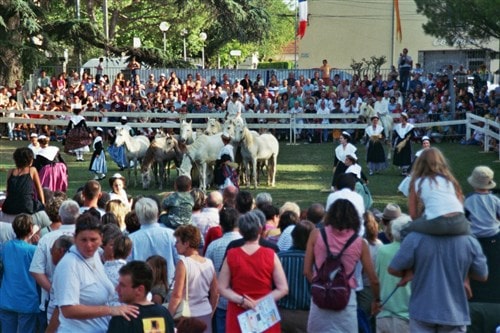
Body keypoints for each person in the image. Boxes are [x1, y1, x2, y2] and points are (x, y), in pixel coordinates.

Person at [388, 215, 488, 332]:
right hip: (454, 313)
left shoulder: (415, 238)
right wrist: (463, 274)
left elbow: (393, 269)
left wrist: (413, 271)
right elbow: (482, 275)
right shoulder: (469, 240)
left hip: (423, 310)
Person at [52, 213, 139, 332]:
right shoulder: (69, 265)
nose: (88, 245)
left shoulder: (95, 256)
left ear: (101, 238)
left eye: (93, 239)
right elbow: (68, 310)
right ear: (75, 238)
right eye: (83, 240)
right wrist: (111, 310)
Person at [304, 199, 380, 332]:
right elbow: (373, 279)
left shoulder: (316, 234)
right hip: (345, 300)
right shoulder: (359, 243)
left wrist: (322, 284)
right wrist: (376, 300)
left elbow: (306, 271)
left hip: (319, 300)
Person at [218, 210, 289, 333]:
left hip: (238, 309)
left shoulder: (232, 255)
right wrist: (259, 302)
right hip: (264, 311)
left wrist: (242, 301)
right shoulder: (270, 255)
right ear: (260, 229)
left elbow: (222, 287)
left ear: (240, 231)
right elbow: (283, 289)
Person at [29, 199, 80, 326]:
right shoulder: (87, 239)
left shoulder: (47, 238)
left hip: (54, 298)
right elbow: (36, 270)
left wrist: (53, 289)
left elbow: (36, 270)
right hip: (75, 298)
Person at [403, 147, 470, 238]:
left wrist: (423, 221)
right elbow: (460, 202)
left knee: (405, 230)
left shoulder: (417, 182)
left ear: (420, 163)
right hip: (460, 222)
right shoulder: (450, 180)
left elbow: (413, 214)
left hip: (436, 222)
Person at [168, 225, 218, 332]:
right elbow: (215, 292)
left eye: (178, 241)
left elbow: (177, 295)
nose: (175, 245)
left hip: (188, 316)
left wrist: (167, 316)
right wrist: (211, 311)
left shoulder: (183, 263)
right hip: (206, 312)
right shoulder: (209, 263)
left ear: (186, 244)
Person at [108, 261, 175, 333]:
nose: (117, 289)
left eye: (122, 285)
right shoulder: (164, 313)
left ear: (140, 290)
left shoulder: (122, 318)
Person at [0, 214, 40, 333]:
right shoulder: (33, 250)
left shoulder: (6, 247)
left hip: (7, 298)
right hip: (27, 300)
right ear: (30, 229)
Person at [205, 207, 241, 333]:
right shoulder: (245, 245)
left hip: (221, 301)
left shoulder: (214, 246)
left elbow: (206, 273)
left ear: (221, 226)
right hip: (241, 300)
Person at [129, 198, 178, 286]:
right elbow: (180, 260)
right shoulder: (171, 234)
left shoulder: (132, 239)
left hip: (142, 287)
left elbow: (128, 266)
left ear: (137, 215)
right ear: (157, 213)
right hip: (169, 285)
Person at [376, 215, 412, 333]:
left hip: (384, 313)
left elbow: (376, 279)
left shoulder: (382, 251)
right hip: (407, 317)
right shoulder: (415, 252)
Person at [278, 220, 315, 333]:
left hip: (282, 316)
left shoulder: (279, 258)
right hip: (308, 317)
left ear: (293, 237)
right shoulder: (317, 262)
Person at [2, 147, 45, 215]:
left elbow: (8, 191)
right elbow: (39, 189)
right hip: (27, 207)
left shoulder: (11, 171)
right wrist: (43, 204)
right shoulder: (32, 170)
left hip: (9, 207)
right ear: (30, 160)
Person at [464, 166, 499, 238]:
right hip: (495, 233)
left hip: (475, 235)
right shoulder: (495, 199)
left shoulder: (467, 199)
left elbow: (464, 218)